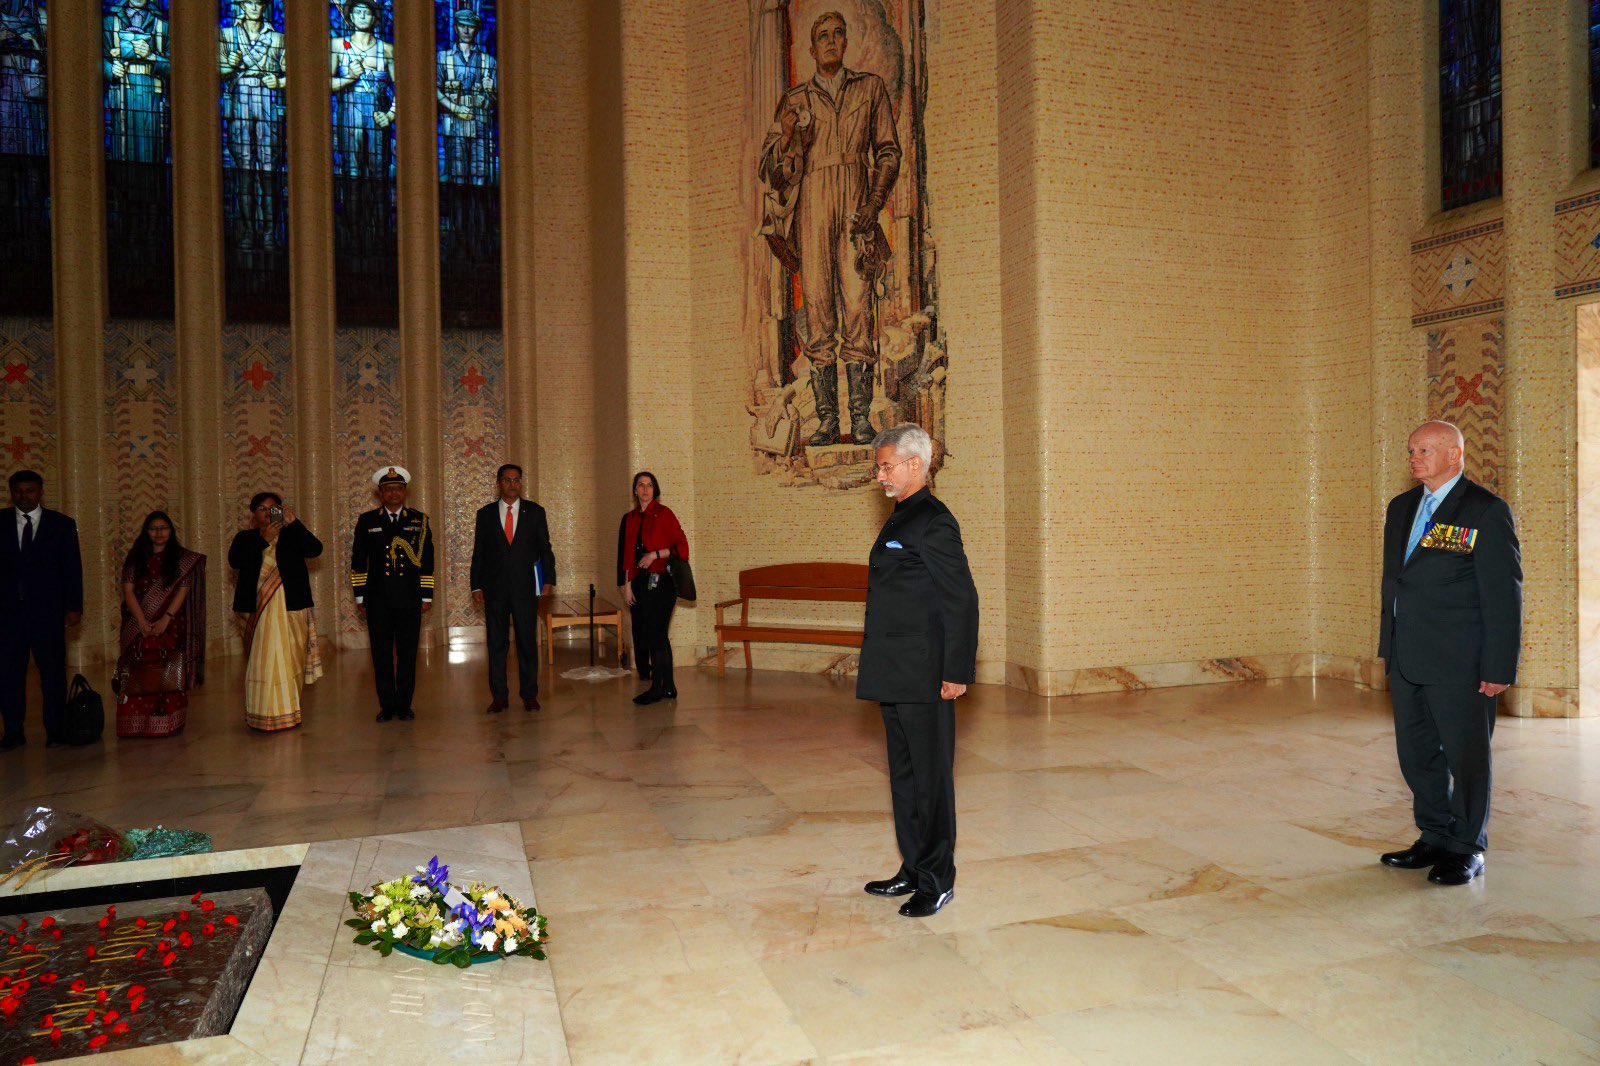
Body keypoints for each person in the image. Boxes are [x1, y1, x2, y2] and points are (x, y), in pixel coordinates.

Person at [1378, 420, 1522, 887]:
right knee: (1416, 755)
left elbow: (1503, 594)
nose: (1415, 457)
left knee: (1467, 758)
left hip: (1461, 661)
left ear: (1456, 455)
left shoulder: (1484, 510)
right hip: (1407, 657)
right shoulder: (1401, 508)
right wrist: (1389, 647)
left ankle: (1467, 847)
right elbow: (1397, 582)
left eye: (1426, 449)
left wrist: (1498, 666)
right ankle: (1435, 835)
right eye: (1411, 449)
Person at [759, 10, 901, 446]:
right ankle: (826, 421)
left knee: (858, 309)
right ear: (811, 47)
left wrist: (874, 202)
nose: (831, 41)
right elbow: (770, 171)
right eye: (823, 36)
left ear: (845, 42)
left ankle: (858, 419)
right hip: (812, 210)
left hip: (856, 206)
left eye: (838, 34)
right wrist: (785, 138)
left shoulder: (869, 88)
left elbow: (888, 151)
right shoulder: (796, 100)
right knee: (818, 308)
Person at [856, 425, 977, 918]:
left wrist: (956, 672)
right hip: (895, 672)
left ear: (914, 465)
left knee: (931, 781)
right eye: (880, 465)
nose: (879, 474)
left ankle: (937, 879)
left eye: (886, 466)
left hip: (926, 674)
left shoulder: (934, 521)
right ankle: (913, 865)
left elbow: (962, 600)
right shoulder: (900, 515)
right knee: (904, 777)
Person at [0, 470, 82, 750]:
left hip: (48, 613)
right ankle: (12, 731)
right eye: (19, 491)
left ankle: (56, 731)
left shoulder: (61, 525)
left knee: (53, 674)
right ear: (11, 492)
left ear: (40, 492)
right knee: (9, 674)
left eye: (30, 491)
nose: (24, 496)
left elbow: (72, 569)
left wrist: (73, 607)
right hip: (8, 615)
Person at [229, 492, 324, 732]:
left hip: (292, 607)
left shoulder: (292, 534)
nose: (267, 513)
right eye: (261, 509)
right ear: (254, 515)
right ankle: (259, 714)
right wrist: (263, 540)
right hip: (258, 610)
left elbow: (315, 549)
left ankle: (289, 713)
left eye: (273, 508)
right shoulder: (246, 537)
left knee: (290, 660)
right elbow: (236, 561)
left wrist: (294, 522)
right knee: (263, 661)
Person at [469, 464, 555, 714]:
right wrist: (476, 585)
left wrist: (548, 579)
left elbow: (545, 548)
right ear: (498, 483)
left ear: (521, 483)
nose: (512, 484)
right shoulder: (484, 514)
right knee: (497, 644)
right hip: (494, 590)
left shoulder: (535, 512)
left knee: (527, 643)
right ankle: (499, 696)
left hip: (525, 589)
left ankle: (529, 694)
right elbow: (479, 553)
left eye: (517, 480)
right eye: (507, 480)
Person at [350, 466, 434, 722]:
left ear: (405, 491)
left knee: (408, 654)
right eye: (387, 489)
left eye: (397, 488)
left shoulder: (419, 520)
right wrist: (360, 596)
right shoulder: (367, 521)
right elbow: (358, 560)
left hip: (410, 598)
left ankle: (404, 704)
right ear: (380, 493)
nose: (393, 493)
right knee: (381, 654)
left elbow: (427, 560)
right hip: (378, 599)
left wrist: (426, 595)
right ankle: (387, 705)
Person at [115, 511, 206, 731]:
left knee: (168, 667)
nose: (158, 533)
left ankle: (167, 722)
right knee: (139, 667)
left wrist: (166, 619)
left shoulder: (181, 559)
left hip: (171, 624)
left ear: (171, 531)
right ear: (146, 532)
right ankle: (135, 724)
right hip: (138, 624)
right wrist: (142, 622)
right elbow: (128, 591)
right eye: (153, 528)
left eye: (163, 528)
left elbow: (183, 591)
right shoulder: (135, 557)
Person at [616, 471, 688, 706]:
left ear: (654, 490)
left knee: (657, 635)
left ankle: (658, 687)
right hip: (638, 583)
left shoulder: (664, 513)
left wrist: (655, 554)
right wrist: (626, 585)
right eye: (640, 485)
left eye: (649, 485)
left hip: (662, 582)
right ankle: (668, 686)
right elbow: (625, 554)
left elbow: (681, 547)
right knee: (652, 636)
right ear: (635, 490)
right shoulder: (629, 518)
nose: (645, 489)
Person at [220, 0, 286, 251]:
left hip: (268, 100)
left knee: (269, 169)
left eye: (259, 3)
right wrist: (230, 64)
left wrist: (279, 83)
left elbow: (295, 72)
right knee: (244, 168)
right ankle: (246, 231)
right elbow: (213, 70)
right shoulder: (226, 35)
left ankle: (270, 231)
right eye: (249, 2)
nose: (254, 7)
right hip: (239, 101)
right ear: (241, 5)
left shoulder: (279, 38)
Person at [330, 0, 394, 181]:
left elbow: (403, 89)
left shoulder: (388, 50)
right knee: (351, 170)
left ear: (374, 17)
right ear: (350, 16)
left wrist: (390, 115)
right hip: (350, 113)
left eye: (367, 12)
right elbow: (324, 85)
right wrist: (349, 76)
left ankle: (380, 209)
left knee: (379, 169)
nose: (363, 16)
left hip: (378, 114)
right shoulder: (337, 46)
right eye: (358, 12)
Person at [102, 0, 169, 164]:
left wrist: (152, 56)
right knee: (123, 146)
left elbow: (181, 67)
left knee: (152, 150)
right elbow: (93, 59)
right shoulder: (109, 22)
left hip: (153, 95)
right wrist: (110, 69)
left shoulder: (163, 25)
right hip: (122, 92)